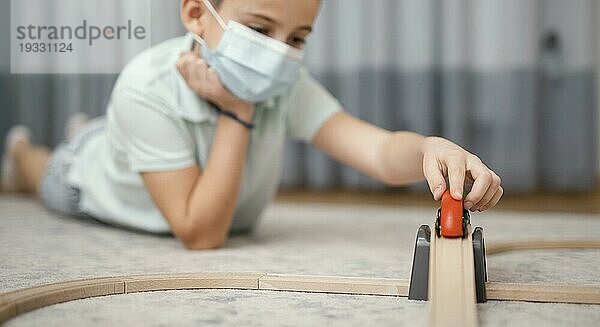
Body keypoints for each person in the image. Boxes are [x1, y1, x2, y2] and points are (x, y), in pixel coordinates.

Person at [0, 0, 503, 250]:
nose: (280, 54)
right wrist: (237, 112)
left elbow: (375, 149)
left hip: (140, 141)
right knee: (48, 169)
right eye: (261, 30)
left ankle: (96, 132)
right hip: (83, 182)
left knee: (106, 137)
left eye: (299, 38)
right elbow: (201, 232)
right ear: (197, 15)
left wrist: (425, 151)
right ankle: (28, 150)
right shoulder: (142, 88)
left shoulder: (283, 83)